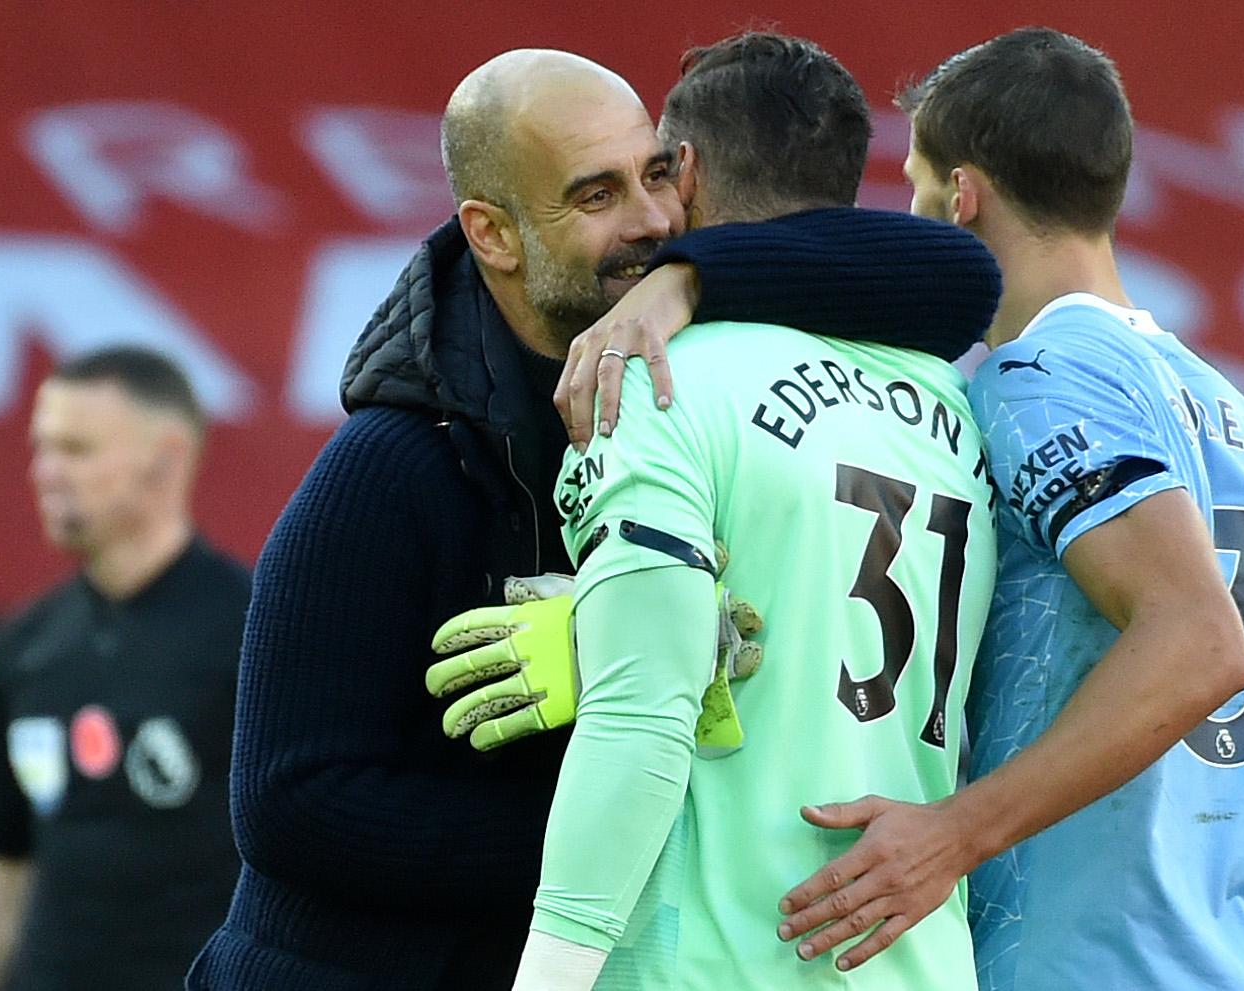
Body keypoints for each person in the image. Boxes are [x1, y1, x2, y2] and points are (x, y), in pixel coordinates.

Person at [187, 48, 1000, 990]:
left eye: (657, 174)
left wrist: (690, 278)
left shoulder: (669, 356)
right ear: (492, 233)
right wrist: (627, 823)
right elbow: (288, 806)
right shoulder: (395, 465)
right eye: (596, 195)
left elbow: (955, 276)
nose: (653, 221)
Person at [773, 28, 1244, 990]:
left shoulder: (1039, 377)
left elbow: (1205, 645)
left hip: (1109, 965)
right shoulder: (1241, 415)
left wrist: (951, 834)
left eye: (916, 185)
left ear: (962, 195)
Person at [511, 34, 998, 991]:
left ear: (683, 169)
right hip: (915, 960)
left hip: (721, 961)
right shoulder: (951, 403)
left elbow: (640, 718)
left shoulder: (650, 376)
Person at [0, 346, 249, 991]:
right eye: (41, 448)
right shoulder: (28, 644)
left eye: (76, 450)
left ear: (167, 458)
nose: (46, 471)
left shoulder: (254, 631)